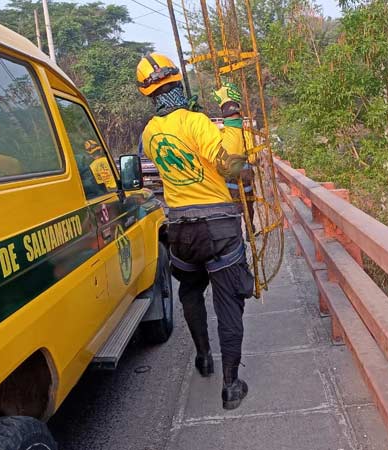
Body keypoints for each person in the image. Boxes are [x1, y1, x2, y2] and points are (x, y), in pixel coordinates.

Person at [136, 53, 254, 410]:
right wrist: (231, 113)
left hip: (180, 230)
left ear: (148, 93)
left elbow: (180, 161)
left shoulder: (149, 133)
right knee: (228, 302)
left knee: (190, 291)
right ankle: (231, 385)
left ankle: (204, 357)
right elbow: (231, 165)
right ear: (178, 82)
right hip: (217, 227)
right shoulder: (196, 121)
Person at [215, 86, 257, 237]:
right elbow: (253, 158)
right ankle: (249, 228)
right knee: (248, 206)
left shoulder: (221, 134)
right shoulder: (246, 133)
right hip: (245, 179)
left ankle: (237, 233)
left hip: (229, 182)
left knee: (233, 209)